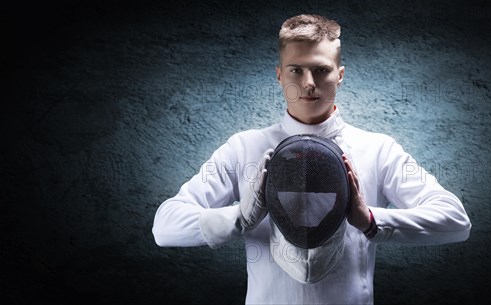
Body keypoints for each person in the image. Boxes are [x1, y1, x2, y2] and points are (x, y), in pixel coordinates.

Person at [152, 14, 471, 304]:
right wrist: (240, 218)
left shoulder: (378, 150)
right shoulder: (243, 149)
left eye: (321, 70)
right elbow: (165, 226)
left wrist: (370, 221)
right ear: (279, 75)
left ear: (340, 74)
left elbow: (456, 221)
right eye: (296, 70)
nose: (308, 83)